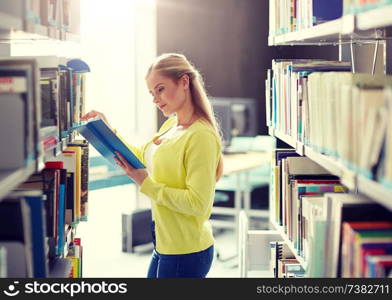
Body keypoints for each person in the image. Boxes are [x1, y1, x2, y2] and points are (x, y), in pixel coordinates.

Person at [81, 53, 224, 278]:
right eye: (151, 93)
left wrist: (145, 183)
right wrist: (109, 130)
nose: (155, 99)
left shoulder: (201, 136)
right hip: (164, 244)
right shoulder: (172, 124)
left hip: (186, 251)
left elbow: (197, 203)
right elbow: (142, 157)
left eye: (160, 89)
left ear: (184, 82)